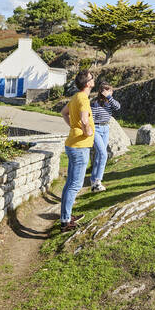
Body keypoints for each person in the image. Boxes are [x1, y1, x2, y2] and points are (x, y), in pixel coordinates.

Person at [59, 69, 95, 231]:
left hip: (72, 143)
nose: (94, 80)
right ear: (88, 84)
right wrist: (87, 130)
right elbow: (84, 118)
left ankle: (66, 216)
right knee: (75, 184)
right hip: (80, 146)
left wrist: (74, 127)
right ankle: (65, 221)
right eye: (92, 78)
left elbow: (64, 113)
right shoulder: (84, 99)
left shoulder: (75, 97)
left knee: (70, 184)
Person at [89, 81, 121, 192]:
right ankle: (98, 181)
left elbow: (118, 107)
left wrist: (109, 97)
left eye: (111, 91)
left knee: (99, 155)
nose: (111, 92)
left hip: (105, 128)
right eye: (109, 91)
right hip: (96, 129)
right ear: (103, 91)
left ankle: (93, 181)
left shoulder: (110, 103)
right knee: (103, 154)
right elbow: (91, 119)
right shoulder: (94, 103)